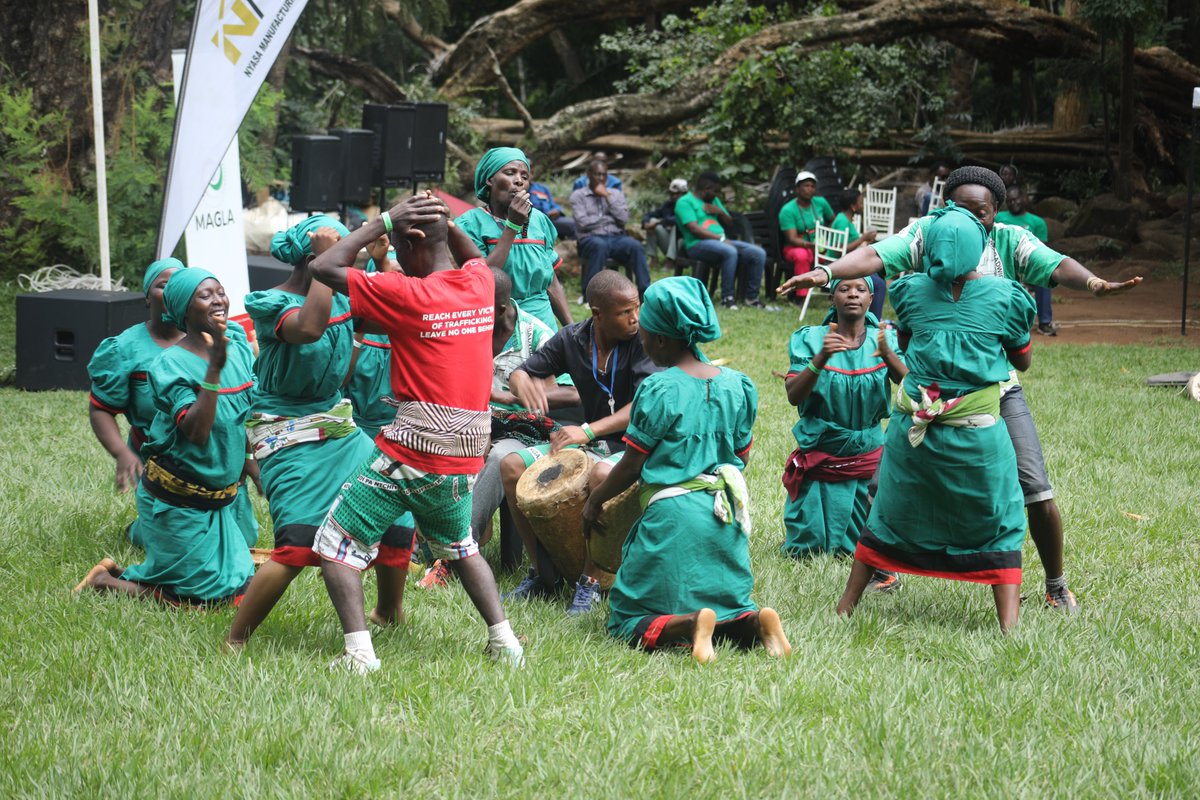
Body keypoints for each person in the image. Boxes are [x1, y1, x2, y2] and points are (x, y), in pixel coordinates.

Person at [780, 165, 1143, 612]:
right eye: (962, 207)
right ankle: (885, 567)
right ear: (946, 206)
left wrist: (1092, 282)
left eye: (983, 210)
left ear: (995, 212)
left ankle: (1055, 584)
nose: (973, 218)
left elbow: (1054, 263)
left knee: (1034, 487)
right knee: (885, 482)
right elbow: (876, 256)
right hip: (929, 391)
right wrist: (824, 273)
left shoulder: (1009, 240)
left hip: (992, 393)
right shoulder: (928, 233)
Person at [307, 194, 523, 673]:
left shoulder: (406, 293)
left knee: (336, 543)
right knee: (461, 546)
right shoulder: (480, 283)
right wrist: (441, 221)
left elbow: (324, 265)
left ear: (412, 242)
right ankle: (505, 642)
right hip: (468, 451)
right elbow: (473, 257)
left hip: (416, 446)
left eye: (399, 246)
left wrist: (384, 220)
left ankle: (360, 655)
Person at [836, 203, 1037, 632]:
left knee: (890, 510)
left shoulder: (908, 291)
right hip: (978, 437)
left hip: (914, 437)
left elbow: (908, 341)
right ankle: (1009, 626)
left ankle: (845, 607)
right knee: (998, 515)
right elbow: (1023, 359)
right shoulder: (1008, 297)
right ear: (980, 245)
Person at [226, 216, 416, 649]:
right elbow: (309, 327)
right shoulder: (268, 302)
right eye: (340, 252)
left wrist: (385, 258)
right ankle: (235, 639)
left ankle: (389, 611)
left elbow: (399, 314)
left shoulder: (346, 292)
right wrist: (327, 267)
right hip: (287, 433)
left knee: (398, 510)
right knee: (298, 542)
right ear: (316, 258)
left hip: (337, 426)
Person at [581, 276, 791, 662]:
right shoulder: (738, 385)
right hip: (725, 520)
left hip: (673, 521)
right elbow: (741, 456)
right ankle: (754, 621)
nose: (640, 342)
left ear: (661, 340)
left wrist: (596, 500)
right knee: (726, 603)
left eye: (644, 335)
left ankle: (692, 623)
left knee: (629, 616)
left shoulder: (659, 389)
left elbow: (631, 464)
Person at [75, 268, 258, 605]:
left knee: (240, 586)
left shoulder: (239, 345)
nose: (218, 300)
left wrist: (252, 463)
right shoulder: (170, 364)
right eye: (206, 295)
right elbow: (197, 432)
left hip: (221, 497)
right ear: (182, 311)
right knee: (199, 599)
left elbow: (240, 417)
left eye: (220, 291)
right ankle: (105, 580)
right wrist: (214, 368)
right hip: (179, 500)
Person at [502, 270, 660, 614]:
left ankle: (590, 581)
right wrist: (518, 379)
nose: (635, 318)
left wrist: (587, 430)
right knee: (512, 466)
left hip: (632, 447)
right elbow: (525, 371)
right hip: (593, 443)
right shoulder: (571, 339)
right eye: (625, 312)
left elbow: (642, 407)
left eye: (637, 308)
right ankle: (543, 574)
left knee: (600, 475)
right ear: (597, 313)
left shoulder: (642, 341)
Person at [782, 277, 902, 564]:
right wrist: (822, 357)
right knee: (806, 550)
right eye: (844, 289)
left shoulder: (882, 339)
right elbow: (793, 395)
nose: (852, 295)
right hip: (823, 450)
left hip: (866, 455)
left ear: (871, 298)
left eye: (860, 289)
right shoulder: (810, 338)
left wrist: (888, 354)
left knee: (863, 545)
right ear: (831, 297)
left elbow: (909, 386)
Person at [87, 258, 185, 495]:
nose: (172, 291)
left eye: (179, 284)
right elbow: (101, 409)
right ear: (147, 297)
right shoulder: (124, 349)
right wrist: (122, 453)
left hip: (212, 462)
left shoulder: (209, 339)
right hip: (156, 461)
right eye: (163, 285)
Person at [456, 147, 573, 330]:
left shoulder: (540, 220)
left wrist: (571, 329)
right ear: (489, 179)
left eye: (524, 177)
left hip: (543, 324)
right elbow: (481, 281)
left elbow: (551, 281)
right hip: (499, 324)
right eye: (510, 173)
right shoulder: (469, 224)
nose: (518, 181)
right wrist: (512, 226)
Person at [676, 171, 767, 309]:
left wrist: (719, 211)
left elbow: (730, 223)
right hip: (696, 244)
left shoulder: (713, 201)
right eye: (715, 191)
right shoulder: (684, 202)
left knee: (758, 253)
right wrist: (721, 239)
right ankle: (727, 298)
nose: (717, 195)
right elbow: (694, 229)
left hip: (722, 242)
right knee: (729, 251)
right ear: (706, 189)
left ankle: (751, 298)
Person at [570, 159, 651, 300]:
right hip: (589, 239)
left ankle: (645, 294)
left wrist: (607, 197)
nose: (601, 178)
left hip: (616, 238)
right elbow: (583, 223)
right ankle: (590, 296)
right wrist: (608, 219)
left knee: (635, 246)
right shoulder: (578, 195)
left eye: (604, 175)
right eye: (597, 174)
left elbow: (623, 219)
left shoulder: (616, 194)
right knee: (598, 245)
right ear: (588, 174)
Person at [995, 184, 1056, 336]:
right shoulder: (999, 218)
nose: (1013, 203)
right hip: (1002, 264)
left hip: (1027, 266)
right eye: (1009, 201)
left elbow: (1042, 252)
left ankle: (1044, 322)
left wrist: (1030, 275)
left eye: (1016, 199)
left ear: (1024, 199)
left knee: (1045, 278)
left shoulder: (1037, 222)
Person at [830, 190, 885, 319]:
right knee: (879, 284)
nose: (862, 205)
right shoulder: (842, 221)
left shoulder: (844, 219)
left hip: (846, 263)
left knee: (877, 273)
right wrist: (862, 239)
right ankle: (874, 322)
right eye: (860, 202)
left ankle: (867, 316)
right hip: (840, 267)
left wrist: (864, 241)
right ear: (852, 206)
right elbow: (839, 249)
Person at [779, 171, 836, 296]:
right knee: (802, 256)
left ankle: (834, 291)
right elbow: (792, 238)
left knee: (837, 253)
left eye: (813, 186)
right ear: (797, 189)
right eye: (806, 186)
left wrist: (828, 237)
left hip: (820, 245)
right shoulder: (788, 210)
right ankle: (802, 296)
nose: (810, 189)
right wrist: (811, 245)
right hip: (797, 247)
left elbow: (834, 220)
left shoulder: (821, 202)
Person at [642, 178, 687, 268]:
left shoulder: (688, 205)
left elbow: (679, 220)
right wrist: (646, 223)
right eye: (672, 194)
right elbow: (650, 214)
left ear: (684, 194)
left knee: (676, 226)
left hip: (683, 245)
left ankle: (670, 260)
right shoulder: (668, 205)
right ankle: (653, 258)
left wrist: (660, 221)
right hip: (669, 242)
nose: (674, 196)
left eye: (677, 194)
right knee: (652, 221)